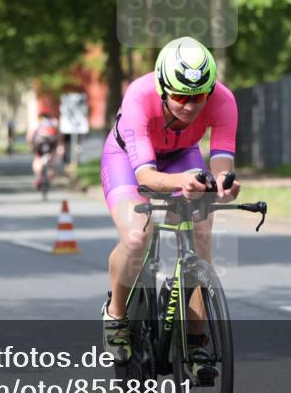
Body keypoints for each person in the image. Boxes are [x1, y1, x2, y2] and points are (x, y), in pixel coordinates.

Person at [99, 37, 241, 371]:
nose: (190, 106)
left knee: (202, 234)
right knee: (138, 237)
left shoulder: (224, 101)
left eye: (198, 97)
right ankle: (115, 315)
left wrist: (223, 185)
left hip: (181, 155)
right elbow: (146, 176)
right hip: (127, 160)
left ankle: (196, 340)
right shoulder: (139, 95)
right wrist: (184, 183)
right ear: (162, 88)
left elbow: (222, 162)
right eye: (179, 96)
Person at [27, 110, 63, 190]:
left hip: (39, 142)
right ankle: (51, 170)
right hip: (51, 142)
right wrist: (60, 146)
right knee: (52, 156)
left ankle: (39, 178)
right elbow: (59, 135)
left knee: (37, 158)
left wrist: (30, 144)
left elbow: (31, 133)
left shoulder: (37, 122)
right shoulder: (54, 122)